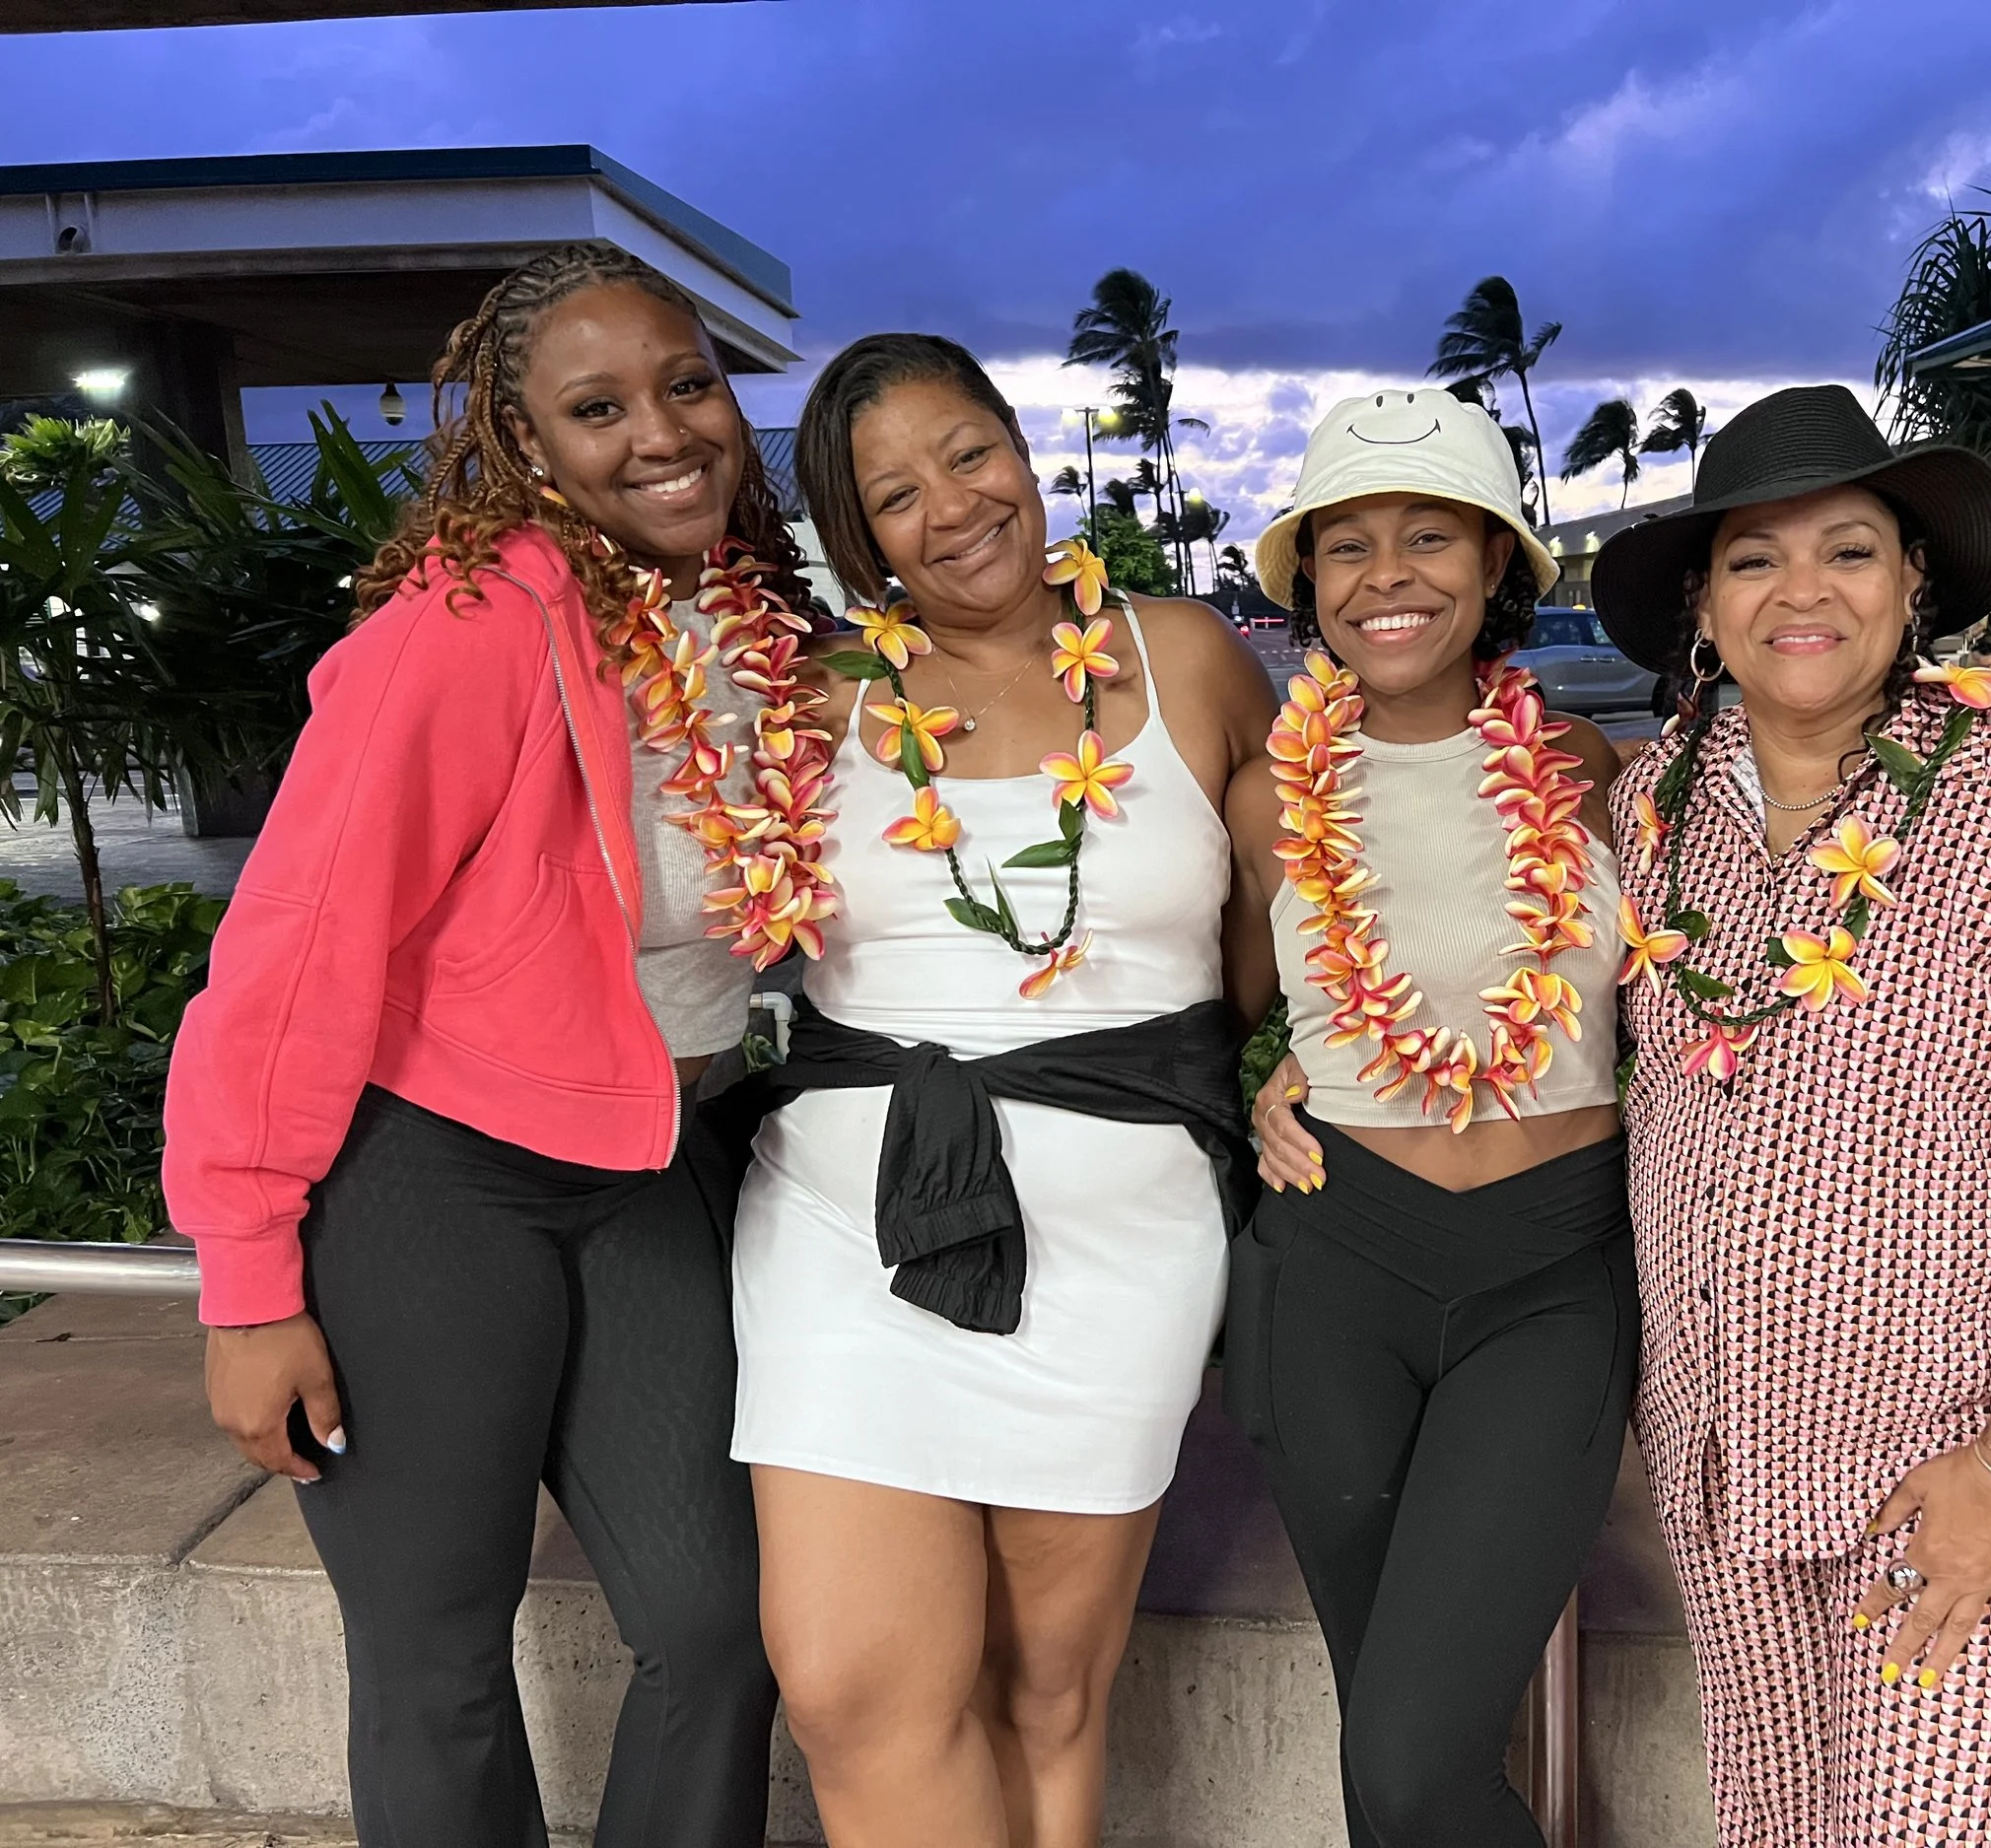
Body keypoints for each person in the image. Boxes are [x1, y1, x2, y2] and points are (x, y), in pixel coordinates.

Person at [163, 240, 800, 1848]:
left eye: (686, 384)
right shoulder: (464, 621)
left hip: (643, 1156)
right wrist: (248, 1280)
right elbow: (297, 949)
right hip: (424, 1177)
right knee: (438, 1658)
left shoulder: (740, 624)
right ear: (525, 445)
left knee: (717, 1623)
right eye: (597, 406)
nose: (660, 432)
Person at [1588, 384, 1991, 1846]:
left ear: (1913, 582)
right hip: (1723, 1445)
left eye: (1848, 550)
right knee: (1772, 1827)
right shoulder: (1652, 807)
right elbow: (1533, 1015)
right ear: (1703, 611)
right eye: (1752, 558)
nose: (1803, 590)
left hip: (1943, 1456)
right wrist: (1305, 1062)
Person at [728, 332, 1275, 1848]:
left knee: (1049, 1689)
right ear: (857, 541)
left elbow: (1276, 950)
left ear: (1023, 447)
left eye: (969, 452)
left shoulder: (1194, 660)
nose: (952, 506)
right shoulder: (815, 697)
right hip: (850, 1227)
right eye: (892, 494)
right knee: (844, 1684)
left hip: (1120, 1249)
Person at [1224, 389, 1636, 1848]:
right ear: (1311, 582)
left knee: (1410, 1757)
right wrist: (1271, 1088)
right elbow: (1204, 1019)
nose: (1385, 574)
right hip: (1335, 1269)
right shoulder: (1269, 797)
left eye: (1428, 538)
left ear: (1496, 566)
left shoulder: (1594, 782)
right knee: (1389, 1737)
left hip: (1548, 1276)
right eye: (1347, 546)